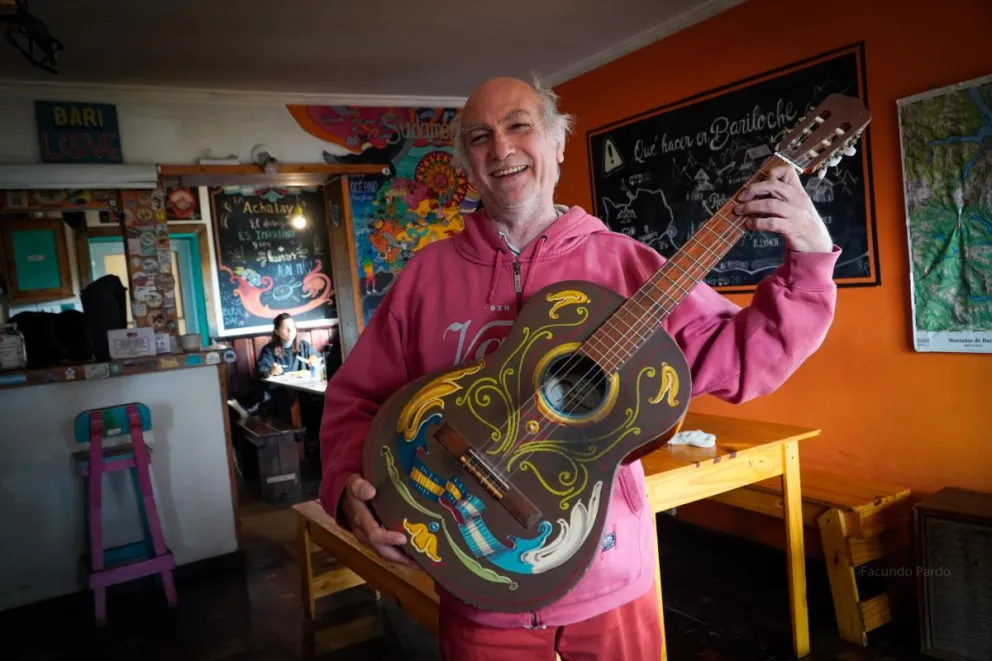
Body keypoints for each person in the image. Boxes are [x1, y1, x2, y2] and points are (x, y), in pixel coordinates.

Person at [318, 75, 841, 661]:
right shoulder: (424, 278)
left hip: (612, 579)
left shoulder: (630, 266)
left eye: (520, 125)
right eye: (480, 137)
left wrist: (811, 259)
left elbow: (746, 360)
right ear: (467, 164)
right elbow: (355, 401)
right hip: (475, 580)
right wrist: (346, 490)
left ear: (559, 143)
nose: (502, 147)